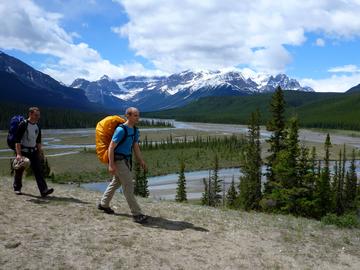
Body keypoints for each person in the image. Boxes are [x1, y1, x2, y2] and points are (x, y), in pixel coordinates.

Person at [98, 107, 148, 224]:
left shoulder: (135, 130)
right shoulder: (121, 130)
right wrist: (111, 164)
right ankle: (137, 214)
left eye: (138, 115)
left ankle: (103, 204)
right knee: (128, 186)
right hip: (118, 160)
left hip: (126, 161)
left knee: (116, 182)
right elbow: (111, 147)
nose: (138, 117)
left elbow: (135, 146)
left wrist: (141, 161)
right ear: (128, 116)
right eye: (135, 115)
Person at [13, 107, 54, 197]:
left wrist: (40, 153)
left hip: (34, 151)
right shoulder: (23, 124)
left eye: (38, 115)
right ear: (30, 114)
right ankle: (17, 188)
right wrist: (19, 154)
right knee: (20, 170)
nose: (38, 117)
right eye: (36, 115)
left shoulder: (37, 126)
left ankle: (44, 190)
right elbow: (17, 141)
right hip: (23, 151)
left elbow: (38, 142)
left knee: (38, 171)